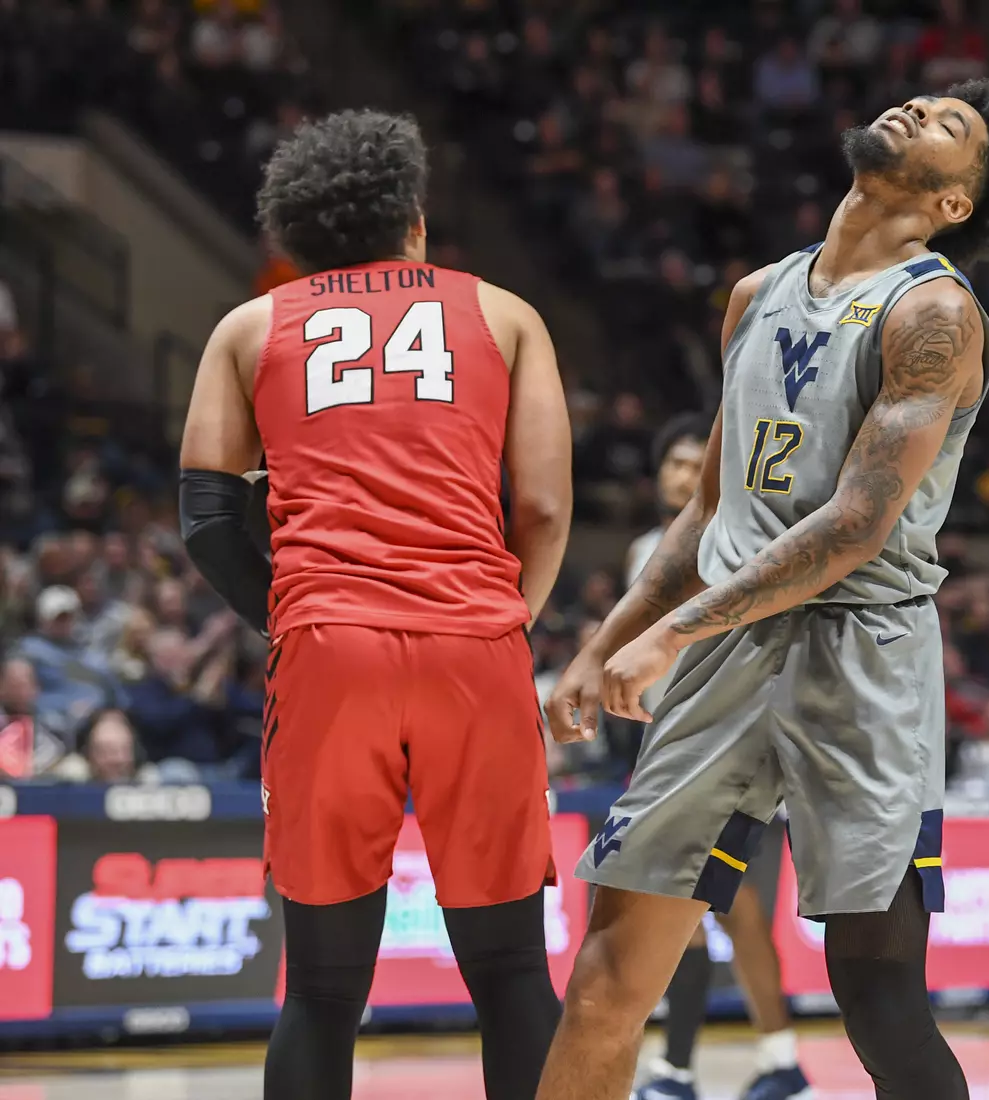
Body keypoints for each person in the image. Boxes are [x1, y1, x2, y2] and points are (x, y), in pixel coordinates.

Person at [544, 81, 989, 1100]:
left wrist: (670, 632)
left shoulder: (933, 311)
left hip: (858, 656)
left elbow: (855, 524)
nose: (914, 111)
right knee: (604, 980)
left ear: (953, 202)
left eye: (948, 125)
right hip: (724, 652)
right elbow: (704, 511)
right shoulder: (756, 292)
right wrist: (605, 642)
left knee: (878, 999)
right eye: (915, 101)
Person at [177, 110, 572, 1100]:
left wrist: (299, 618)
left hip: (325, 644)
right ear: (416, 221)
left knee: (317, 987)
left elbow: (207, 516)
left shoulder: (248, 327)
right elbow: (548, 502)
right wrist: (506, 612)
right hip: (476, 643)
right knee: (515, 973)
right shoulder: (506, 313)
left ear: (294, 236)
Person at [629, 416, 809, 1100]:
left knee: (740, 913)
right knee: (677, 912)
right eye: (671, 464)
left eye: (691, 463)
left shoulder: (746, 541)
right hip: (668, 746)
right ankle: (683, 1069)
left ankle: (779, 1059)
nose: (681, 475)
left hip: (739, 746)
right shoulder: (647, 549)